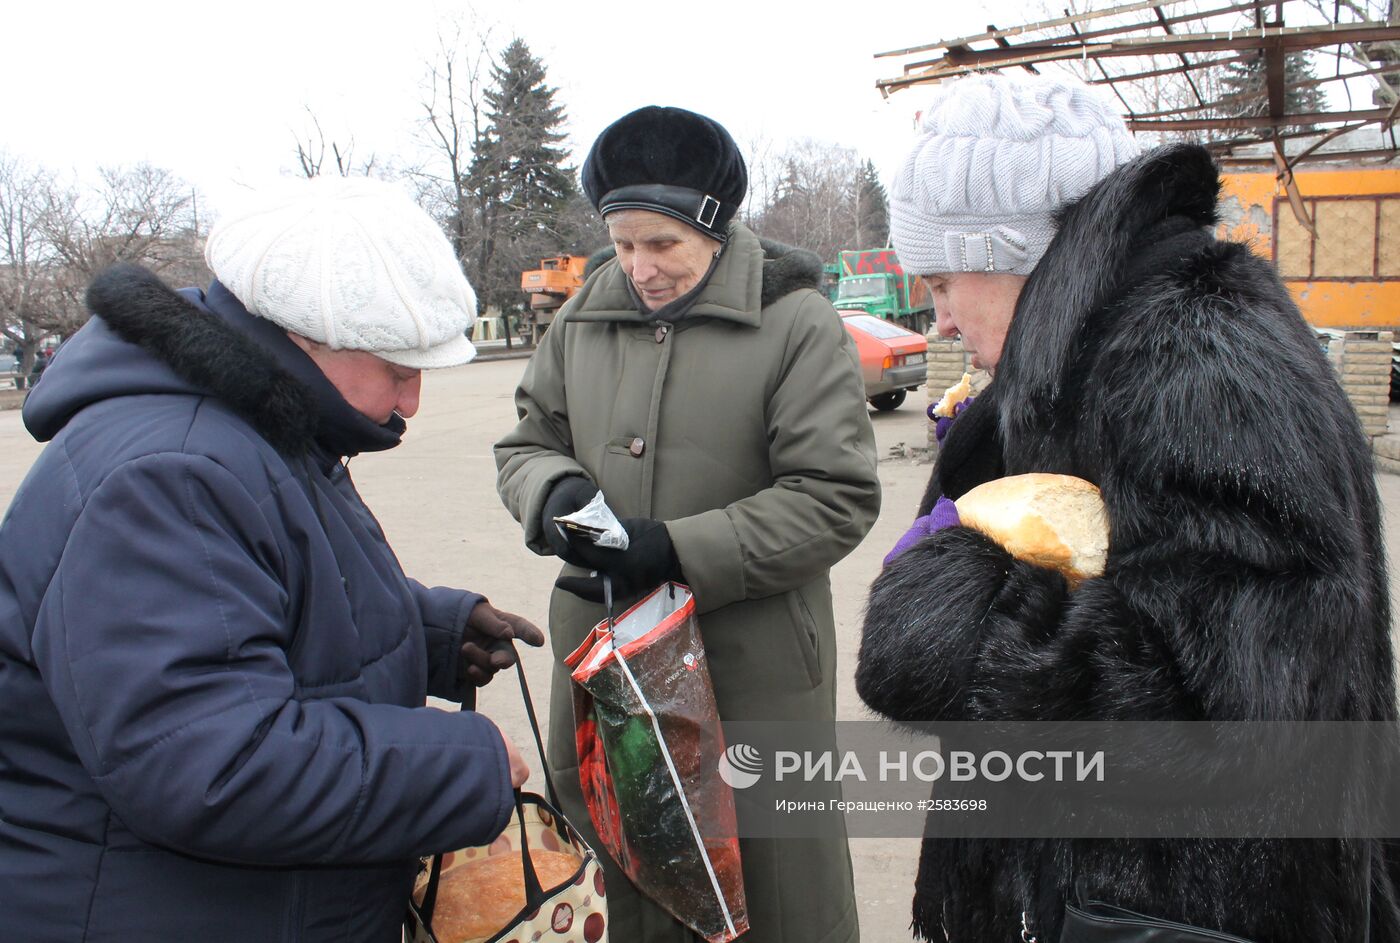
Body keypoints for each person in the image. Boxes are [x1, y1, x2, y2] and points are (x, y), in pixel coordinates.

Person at [855, 71, 1399, 942]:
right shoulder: (1072, 365)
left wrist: (950, 623)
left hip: (1177, 907)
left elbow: (1234, 707)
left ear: (1015, 253)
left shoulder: (1204, 363)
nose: (941, 321)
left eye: (946, 281)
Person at [0, 176, 545, 942]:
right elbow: (209, 766)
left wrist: (428, 633)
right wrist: (461, 765)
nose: (414, 400)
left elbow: (256, 602)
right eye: (398, 368)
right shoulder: (171, 472)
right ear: (303, 336)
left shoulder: (258, 424)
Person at [495, 105, 881, 942]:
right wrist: (551, 489)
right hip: (606, 655)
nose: (640, 268)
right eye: (625, 242)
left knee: (769, 883)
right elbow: (526, 440)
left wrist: (676, 550)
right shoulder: (581, 317)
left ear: (715, 228)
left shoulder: (795, 321)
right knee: (622, 871)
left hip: (751, 661)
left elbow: (835, 494)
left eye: (662, 244)